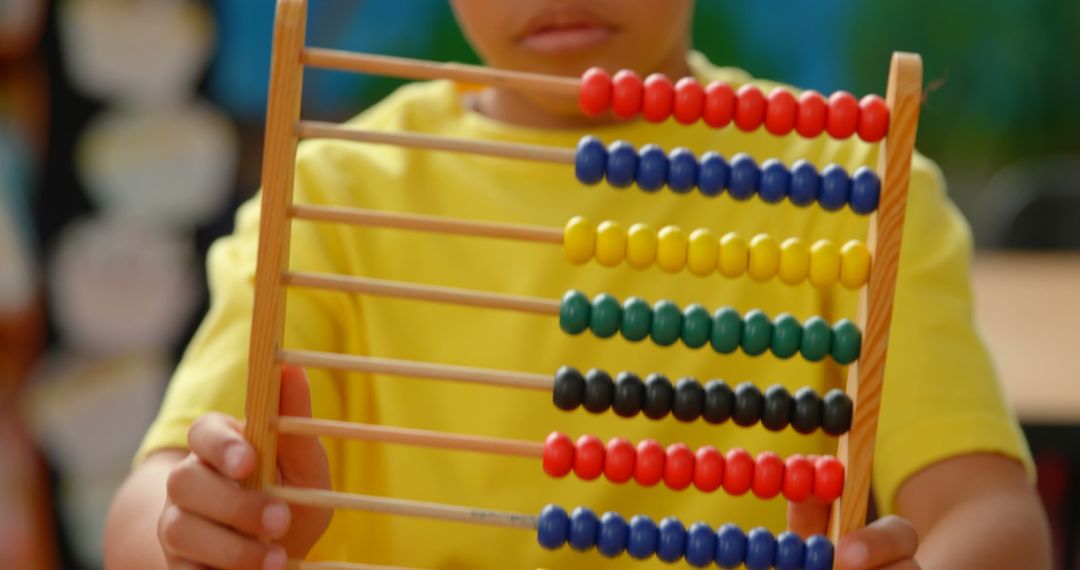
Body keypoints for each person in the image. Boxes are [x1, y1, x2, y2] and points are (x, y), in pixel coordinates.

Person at [105, 1, 1051, 568]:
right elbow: (148, 507)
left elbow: (988, 514)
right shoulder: (332, 192)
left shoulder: (858, 192)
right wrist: (200, 535)